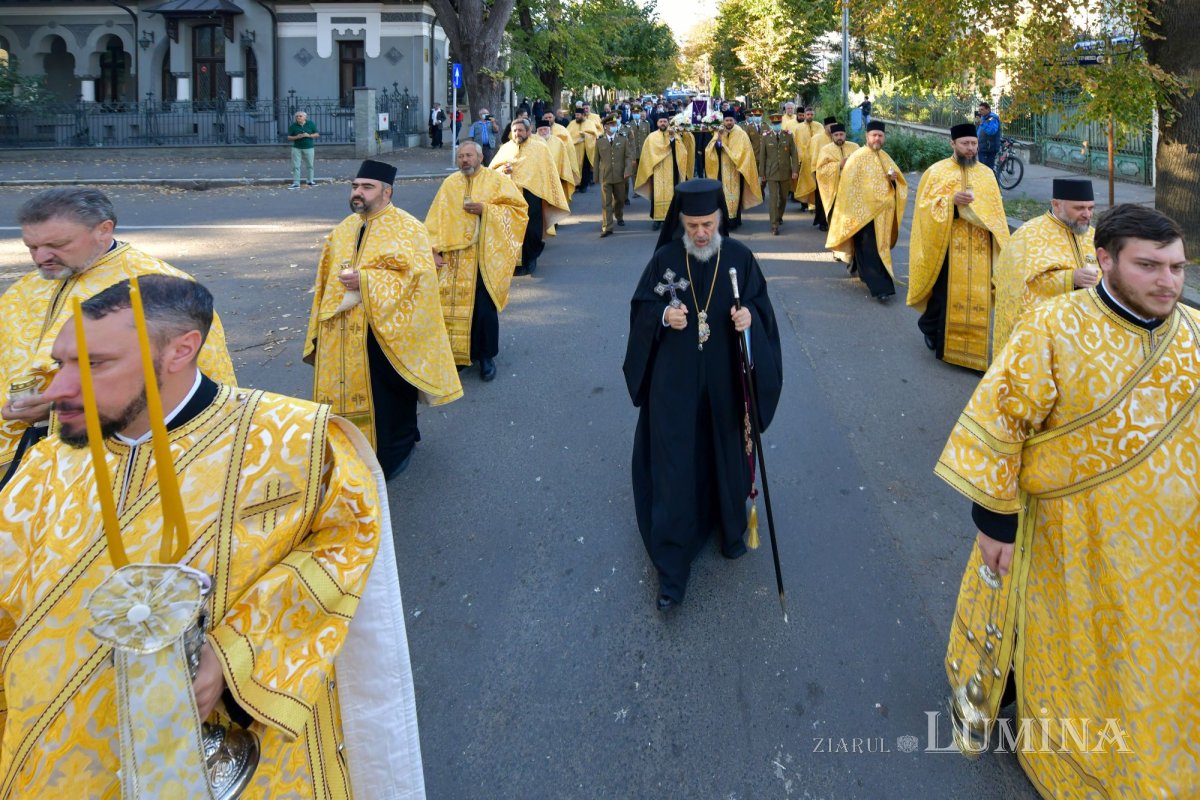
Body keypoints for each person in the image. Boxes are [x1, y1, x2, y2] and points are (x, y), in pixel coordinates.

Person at [0, 274, 424, 798]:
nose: (57, 389)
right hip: (54, 746)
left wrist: (232, 656)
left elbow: (345, 544)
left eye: (94, 364)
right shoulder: (48, 461)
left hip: (234, 743)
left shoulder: (298, 441)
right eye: (61, 362)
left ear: (182, 350)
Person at [936, 205, 1199, 798]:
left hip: (1172, 548)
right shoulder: (1052, 327)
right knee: (1056, 632)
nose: (1169, 282)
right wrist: (994, 524)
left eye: (1178, 267)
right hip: (1071, 531)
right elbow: (1000, 423)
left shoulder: (1196, 336)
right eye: (1150, 265)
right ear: (1103, 260)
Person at [0, 188, 235, 488]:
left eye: (57, 244)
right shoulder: (24, 289)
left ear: (103, 230)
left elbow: (199, 387)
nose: (41, 257)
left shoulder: (162, 289)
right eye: (31, 247)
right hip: (21, 457)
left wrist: (57, 406)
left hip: (115, 463)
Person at [623, 179, 783, 610]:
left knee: (727, 453)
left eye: (707, 224)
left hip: (726, 380)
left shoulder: (740, 259)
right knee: (675, 466)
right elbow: (641, 309)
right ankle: (672, 569)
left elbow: (762, 312)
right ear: (681, 222)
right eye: (692, 225)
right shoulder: (666, 262)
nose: (700, 233)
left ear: (720, 220)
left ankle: (731, 528)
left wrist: (750, 317)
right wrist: (662, 316)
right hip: (675, 384)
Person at [305, 159, 462, 477]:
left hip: (387, 331)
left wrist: (366, 281)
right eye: (354, 186)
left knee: (390, 395)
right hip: (344, 328)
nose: (358, 193)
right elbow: (324, 279)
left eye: (366, 187)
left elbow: (419, 279)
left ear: (386, 192)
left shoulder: (408, 228)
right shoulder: (344, 229)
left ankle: (396, 451)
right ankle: (351, 452)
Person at [906, 123, 1009, 371]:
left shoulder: (986, 174)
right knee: (944, 295)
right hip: (947, 244)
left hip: (981, 246)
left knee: (979, 297)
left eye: (974, 144)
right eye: (966, 144)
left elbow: (996, 212)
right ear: (953, 144)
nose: (971, 148)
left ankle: (973, 351)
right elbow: (923, 209)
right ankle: (936, 333)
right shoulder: (937, 172)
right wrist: (951, 202)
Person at [426, 142, 528, 382]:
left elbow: (519, 211)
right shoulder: (450, 184)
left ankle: (486, 357)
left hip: (483, 258)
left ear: (480, 157)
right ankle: (459, 356)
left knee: (483, 311)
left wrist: (486, 210)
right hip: (453, 259)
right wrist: (433, 252)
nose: (464, 160)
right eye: (460, 156)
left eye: (469, 155)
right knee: (451, 309)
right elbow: (433, 221)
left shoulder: (497, 181)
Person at [990, 177, 1097, 359]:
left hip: (1085, 332)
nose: (1087, 214)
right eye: (1079, 208)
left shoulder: (1093, 235)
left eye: (1090, 208)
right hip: (1043, 333)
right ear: (1056, 205)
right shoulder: (1028, 235)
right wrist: (1070, 279)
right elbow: (1013, 286)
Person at [825, 121, 908, 301]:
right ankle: (881, 288)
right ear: (867, 137)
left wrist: (893, 180)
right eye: (874, 135)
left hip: (882, 215)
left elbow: (899, 184)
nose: (877, 138)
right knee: (870, 249)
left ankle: (857, 268)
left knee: (877, 248)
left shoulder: (885, 157)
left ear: (884, 137)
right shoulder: (857, 157)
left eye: (880, 135)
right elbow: (849, 188)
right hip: (863, 215)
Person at [490, 119, 571, 275]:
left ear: (528, 132)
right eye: (515, 131)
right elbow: (492, 170)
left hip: (533, 195)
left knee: (532, 231)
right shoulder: (505, 149)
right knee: (512, 231)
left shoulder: (540, 148)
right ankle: (518, 264)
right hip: (511, 196)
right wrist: (502, 170)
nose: (517, 133)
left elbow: (549, 172)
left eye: (520, 130)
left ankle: (532, 257)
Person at [704, 111, 762, 230]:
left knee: (736, 197)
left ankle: (735, 221)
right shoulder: (719, 132)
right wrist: (719, 137)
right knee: (722, 196)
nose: (729, 123)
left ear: (734, 121)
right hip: (722, 170)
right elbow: (713, 150)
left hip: (736, 170)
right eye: (727, 120)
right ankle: (723, 222)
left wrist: (740, 164)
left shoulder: (741, 133)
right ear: (723, 121)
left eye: (731, 120)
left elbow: (746, 153)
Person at [635, 114, 693, 231]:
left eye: (665, 121)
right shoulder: (651, 137)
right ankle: (658, 220)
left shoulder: (675, 135)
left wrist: (672, 139)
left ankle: (673, 220)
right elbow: (646, 156)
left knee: (673, 195)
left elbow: (682, 152)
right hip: (657, 171)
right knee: (657, 195)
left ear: (668, 123)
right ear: (657, 123)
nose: (663, 123)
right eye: (661, 121)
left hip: (672, 170)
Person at [757, 113, 799, 235]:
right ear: (771, 124)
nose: (776, 125)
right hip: (771, 173)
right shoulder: (766, 136)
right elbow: (762, 156)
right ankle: (774, 224)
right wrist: (762, 173)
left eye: (778, 123)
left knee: (784, 198)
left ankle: (779, 216)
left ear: (781, 123)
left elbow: (794, 154)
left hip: (786, 172)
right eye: (774, 124)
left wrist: (795, 170)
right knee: (773, 199)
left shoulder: (788, 135)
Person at [594, 115, 635, 237]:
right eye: (611, 125)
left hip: (620, 175)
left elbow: (628, 156)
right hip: (605, 176)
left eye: (615, 125)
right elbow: (596, 160)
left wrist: (628, 170)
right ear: (605, 126)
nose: (614, 127)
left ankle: (619, 215)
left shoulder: (623, 139)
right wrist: (595, 176)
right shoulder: (599, 140)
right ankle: (608, 227)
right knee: (606, 202)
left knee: (619, 199)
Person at [813, 123, 858, 234]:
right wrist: (839, 166)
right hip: (834, 188)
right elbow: (820, 169)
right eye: (836, 135)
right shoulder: (826, 150)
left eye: (841, 134)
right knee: (835, 216)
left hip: (850, 188)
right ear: (832, 136)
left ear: (845, 135)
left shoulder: (855, 147)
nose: (839, 137)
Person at [536, 118, 578, 204]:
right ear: (537, 131)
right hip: (539, 176)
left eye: (545, 129)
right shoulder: (533, 142)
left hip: (556, 175)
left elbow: (564, 159)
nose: (543, 132)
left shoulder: (558, 142)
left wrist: (564, 174)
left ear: (550, 130)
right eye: (541, 130)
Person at [791, 107, 822, 210]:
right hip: (802, 159)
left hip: (815, 159)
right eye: (808, 114)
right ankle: (804, 203)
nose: (810, 116)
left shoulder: (819, 126)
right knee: (802, 182)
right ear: (804, 115)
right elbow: (794, 144)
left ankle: (814, 203)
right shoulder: (798, 128)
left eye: (811, 114)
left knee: (814, 182)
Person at [807, 116, 836, 227]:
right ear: (825, 127)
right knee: (821, 197)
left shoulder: (835, 137)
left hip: (833, 172)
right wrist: (815, 171)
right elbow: (813, 156)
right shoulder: (818, 138)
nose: (833, 128)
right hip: (820, 171)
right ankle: (822, 221)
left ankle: (829, 220)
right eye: (831, 126)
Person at [567, 105, 601, 193]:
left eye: (578, 115)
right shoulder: (572, 123)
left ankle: (584, 185)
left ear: (583, 115)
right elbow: (567, 136)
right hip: (574, 150)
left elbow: (594, 135)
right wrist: (576, 140)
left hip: (586, 149)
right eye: (576, 115)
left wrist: (585, 136)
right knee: (575, 167)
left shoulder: (590, 123)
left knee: (585, 168)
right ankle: (576, 184)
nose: (576, 117)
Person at [623, 106, 651, 200]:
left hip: (643, 151)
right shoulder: (628, 125)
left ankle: (645, 189)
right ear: (632, 114)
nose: (636, 114)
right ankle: (636, 190)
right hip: (633, 153)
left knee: (644, 170)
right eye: (634, 113)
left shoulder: (646, 124)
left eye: (637, 112)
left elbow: (648, 138)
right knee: (634, 172)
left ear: (640, 113)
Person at [286, 110, 319, 189]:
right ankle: (296, 183)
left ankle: (310, 181)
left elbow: (317, 134)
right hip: (297, 148)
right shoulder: (293, 126)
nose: (298, 118)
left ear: (305, 117)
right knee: (296, 166)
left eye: (300, 116)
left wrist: (309, 135)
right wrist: (297, 137)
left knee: (310, 165)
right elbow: (289, 137)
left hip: (309, 147)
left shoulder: (310, 124)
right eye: (297, 116)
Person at [975, 101, 1001, 169]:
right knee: (982, 167)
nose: (980, 111)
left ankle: (992, 179)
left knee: (988, 168)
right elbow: (979, 131)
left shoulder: (993, 118)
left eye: (982, 109)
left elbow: (991, 131)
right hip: (982, 147)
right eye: (979, 110)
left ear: (988, 109)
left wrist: (981, 123)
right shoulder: (982, 118)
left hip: (989, 148)